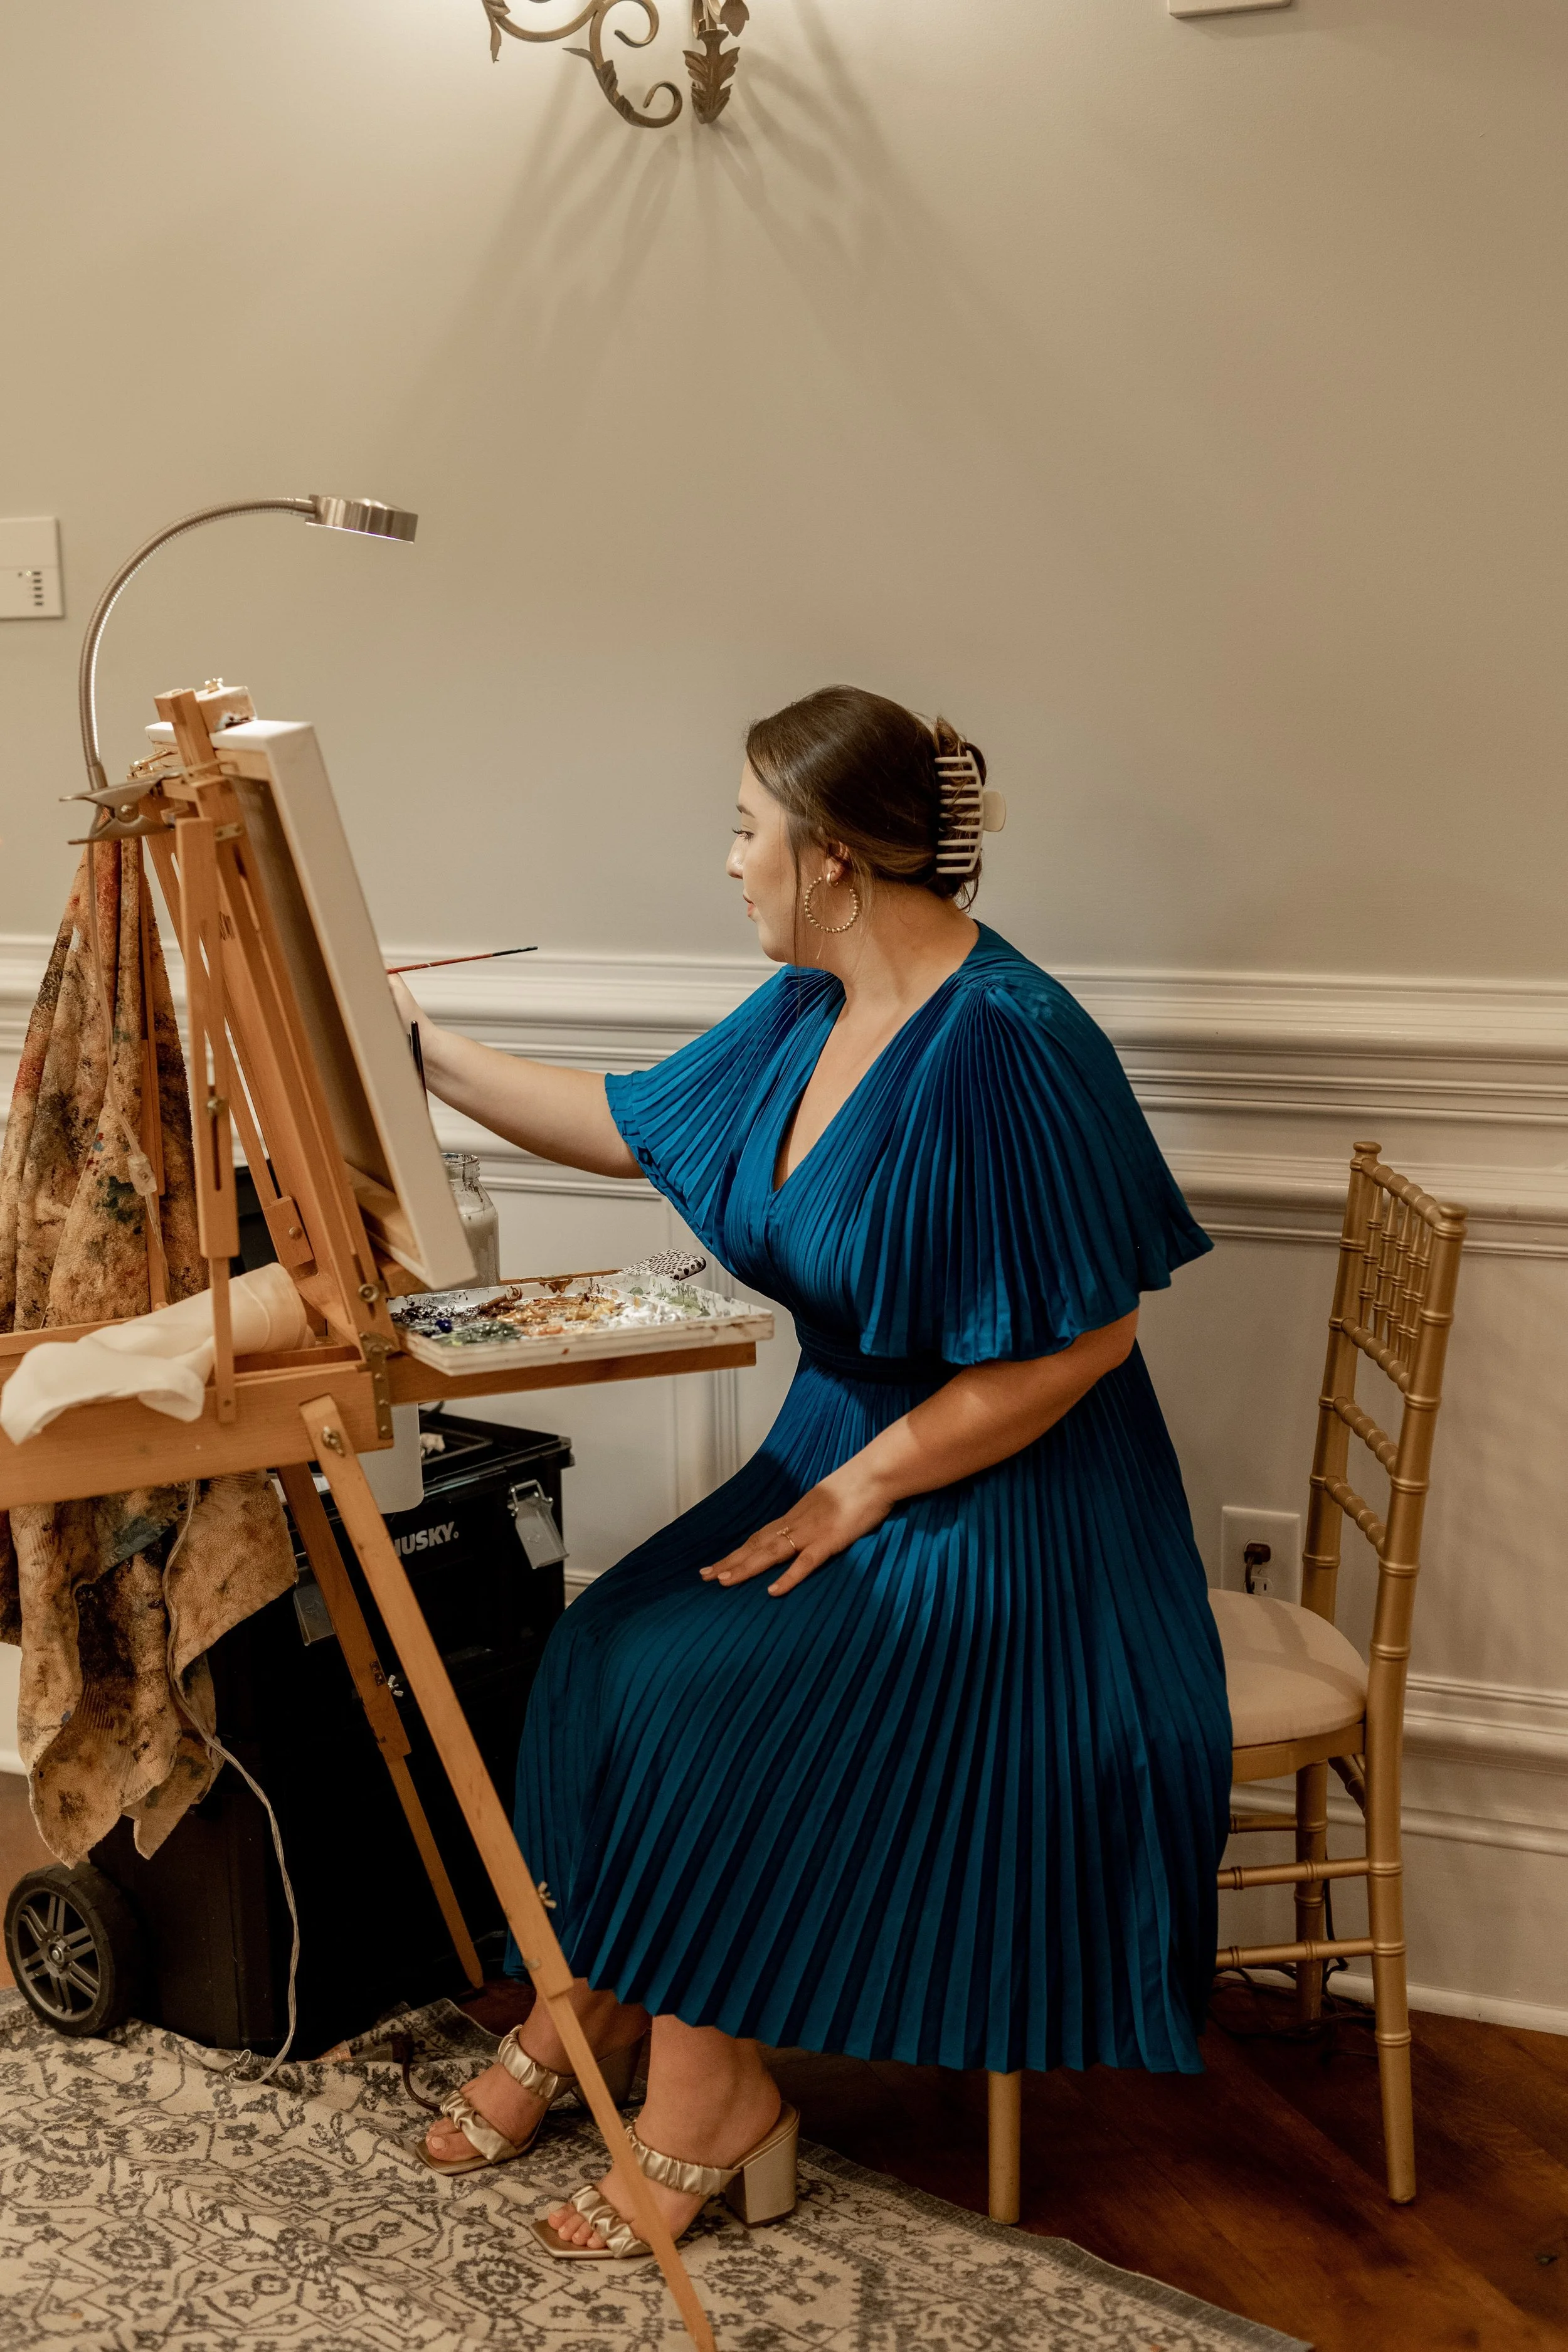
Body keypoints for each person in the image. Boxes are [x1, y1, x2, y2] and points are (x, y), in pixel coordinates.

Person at [391, 685, 1231, 2262]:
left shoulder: (1010, 1040)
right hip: (846, 1447)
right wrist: (416, 1051)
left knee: (700, 1693)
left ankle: (711, 2102)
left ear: (830, 855)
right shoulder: (806, 1003)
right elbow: (626, 1125)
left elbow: (1081, 1345)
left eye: (743, 831)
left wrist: (860, 1493)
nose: (728, 863)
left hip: (1017, 1504)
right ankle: (600, 2004)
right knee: (607, 1644)